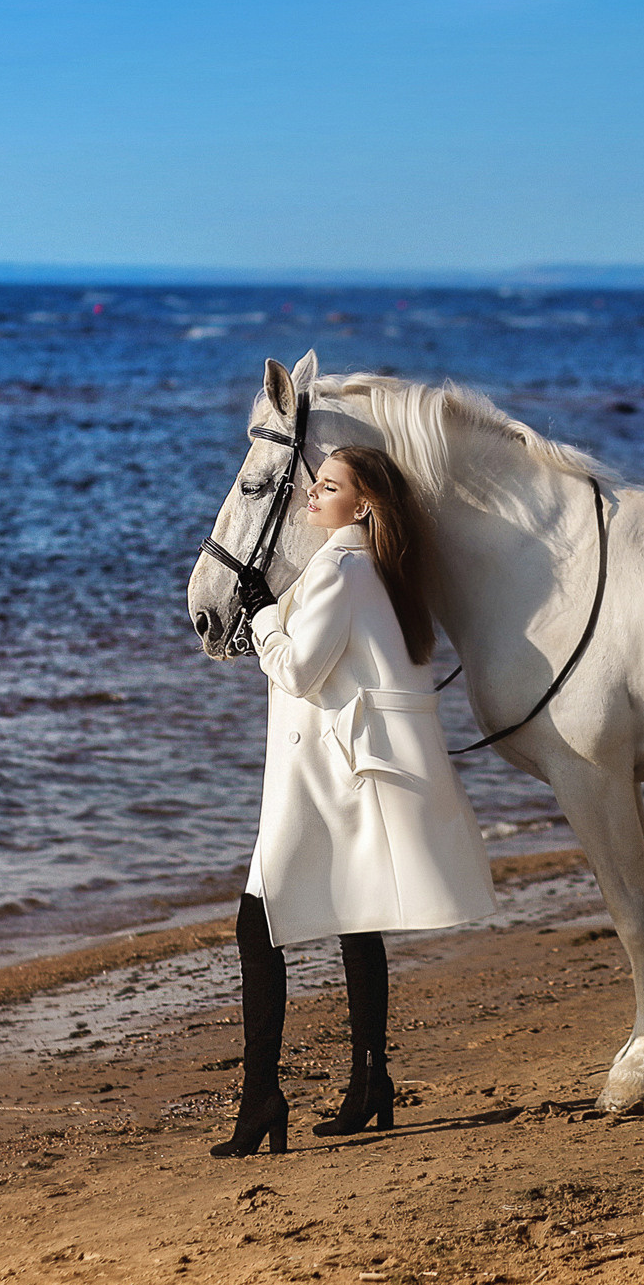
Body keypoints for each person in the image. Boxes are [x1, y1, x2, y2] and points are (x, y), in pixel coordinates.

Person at [215, 445, 497, 1157]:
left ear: (363, 505)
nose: (312, 494)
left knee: (258, 929)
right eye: (315, 483)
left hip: (324, 781)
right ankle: (370, 1079)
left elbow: (301, 670)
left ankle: (262, 1100)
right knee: (354, 917)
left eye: (329, 486)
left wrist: (262, 615)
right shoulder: (381, 570)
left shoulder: (340, 569)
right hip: (342, 778)